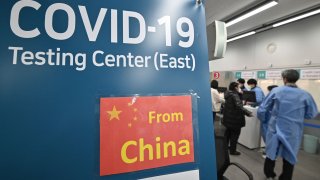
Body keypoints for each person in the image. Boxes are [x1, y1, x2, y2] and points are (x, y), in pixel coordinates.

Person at [257, 69, 318, 180]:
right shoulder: (305, 94)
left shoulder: (276, 91)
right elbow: (311, 114)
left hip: (274, 128)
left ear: (284, 78)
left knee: (271, 153)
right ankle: (285, 177)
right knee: (290, 155)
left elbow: (262, 110)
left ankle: (269, 175)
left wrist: (264, 121)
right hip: (293, 130)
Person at [223, 82, 252, 155]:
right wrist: (248, 113)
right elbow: (239, 106)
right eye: (238, 86)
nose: (239, 88)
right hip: (235, 119)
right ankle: (233, 151)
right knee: (235, 136)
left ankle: (224, 148)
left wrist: (240, 94)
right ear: (236, 87)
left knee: (227, 134)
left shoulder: (227, 93)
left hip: (228, 118)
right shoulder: (234, 95)